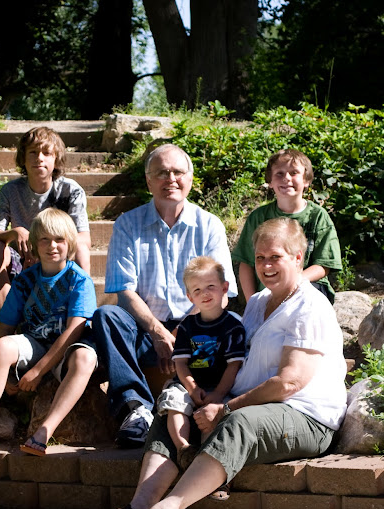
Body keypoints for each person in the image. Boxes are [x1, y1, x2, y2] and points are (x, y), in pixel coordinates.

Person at [87, 218, 347, 509]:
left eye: (275, 257)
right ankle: (138, 506)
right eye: (260, 257)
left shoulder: (309, 306)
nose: (266, 265)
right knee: (173, 406)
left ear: (298, 257)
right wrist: (197, 391)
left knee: (238, 423)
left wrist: (224, 408)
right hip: (250, 403)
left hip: (305, 415)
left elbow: (288, 383)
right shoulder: (257, 304)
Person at [92, 143, 238, 448]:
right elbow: (122, 289)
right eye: (161, 173)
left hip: (197, 329)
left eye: (177, 172)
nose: (170, 178)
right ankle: (138, 408)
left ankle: (205, 409)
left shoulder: (209, 225)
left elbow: (222, 293)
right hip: (147, 330)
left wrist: (182, 334)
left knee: (227, 326)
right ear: (149, 181)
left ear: (190, 179)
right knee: (107, 316)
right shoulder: (127, 224)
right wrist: (158, 332)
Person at [0, 208, 97, 457]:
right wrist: (5, 368)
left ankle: (44, 432)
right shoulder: (25, 280)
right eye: (45, 239)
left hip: (70, 348)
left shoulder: (78, 280)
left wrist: (39, 371)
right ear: (34, 245)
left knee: (86, 359)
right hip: (35, 342)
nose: (52, 246)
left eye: (59, 240)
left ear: (70, 242)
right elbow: (6, 327)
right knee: (3, 346)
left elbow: (75, 329)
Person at [0, 126, 91, 316]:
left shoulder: (71, 190)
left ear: (56, 160)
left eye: (46, 153)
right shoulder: (10, 191)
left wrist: (48, 249)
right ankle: (7, 320)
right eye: (33, 152)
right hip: (23, 258)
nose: (39, 158)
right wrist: (14, 233)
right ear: (23, 159)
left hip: (60, 256)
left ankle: (81, 314)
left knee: (81, 247)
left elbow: (83, 237)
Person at [157, 256, 245, 465]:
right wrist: (192, 388)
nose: (204, 293)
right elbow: (181, 363)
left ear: (225, 288)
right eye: (197, 290)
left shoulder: (233, 327)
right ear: (189, 297)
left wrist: (218, 394)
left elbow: (234, 366)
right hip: (190, 384)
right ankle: (183, 449)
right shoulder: (188, 326)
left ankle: (205, 457)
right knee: (174, 400)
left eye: (210, 286)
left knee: (215, 418)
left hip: (220, 386)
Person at [232, 148, 342, 304]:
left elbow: (323, 265)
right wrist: (253, 302)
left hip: (307, 287)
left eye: (294, 173)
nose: (287, 178)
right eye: (279, 174)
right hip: (267, 291)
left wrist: (292, 283)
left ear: (306, 181)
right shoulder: (258, 217)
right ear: (270, 181)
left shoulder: (318, 216)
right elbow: (246, 263)